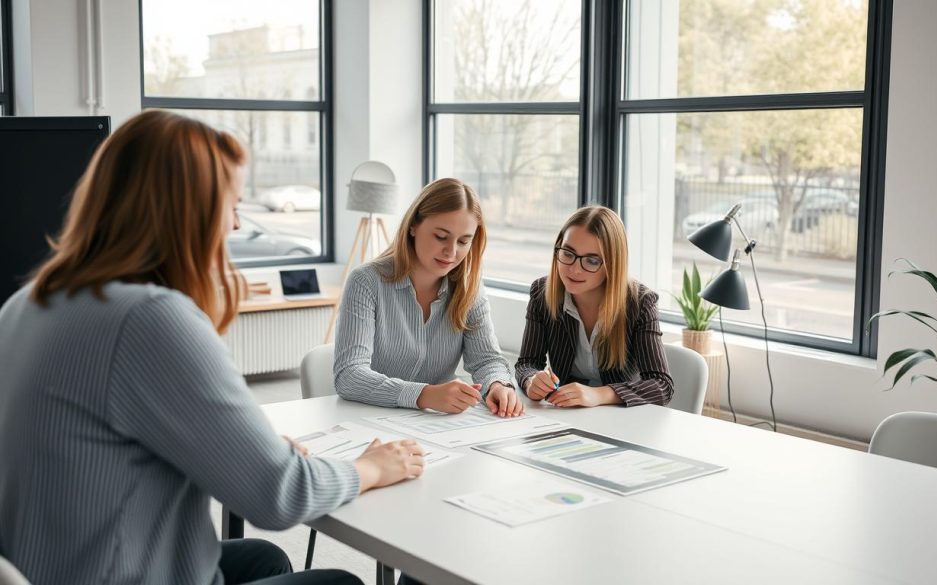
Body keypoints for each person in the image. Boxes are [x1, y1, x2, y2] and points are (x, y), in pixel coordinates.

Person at [0, 110, 424, 585]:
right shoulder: (149, 318)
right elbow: (278, 496)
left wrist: (237, 448)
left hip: (48, 565)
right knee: (340, 583)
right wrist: (370, 467)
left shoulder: (30, 300)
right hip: (114, 573)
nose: (236, 223)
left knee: (262, 558)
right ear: (190, 211)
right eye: (232, 204)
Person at [333, 178, 522, 418]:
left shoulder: (469, 288)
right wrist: (424, 395)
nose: (451, 252)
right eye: (441, 236)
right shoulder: (366, 282)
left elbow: (486, 360)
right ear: (413, 226)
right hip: (369, 419)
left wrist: (498, 385)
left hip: (434, 427)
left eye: (464, 241)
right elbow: (349, 376)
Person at [516, 206, 674, 407]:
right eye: (568, 253)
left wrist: (600, 395)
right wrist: (532, 379)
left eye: (591, 261)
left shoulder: (640, 303)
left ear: (612, 264)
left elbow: (662, 385)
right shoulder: (542, 293)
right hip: (565, 413)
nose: (574, 269)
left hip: (620, 418)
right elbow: (526, 364)